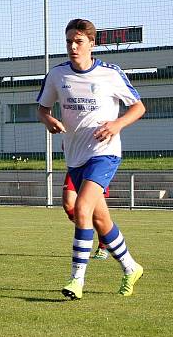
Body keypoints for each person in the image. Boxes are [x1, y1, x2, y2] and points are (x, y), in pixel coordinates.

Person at [37, 18, 145, 300]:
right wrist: (48, 119)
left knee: (81, 208)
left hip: (104, 153)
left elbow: (138, 107)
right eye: (69, 41)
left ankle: (76, 280)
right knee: (101, 221)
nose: (73, 46)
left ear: (91, 44)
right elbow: (42, 108)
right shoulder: (57, 75)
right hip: (75, 156)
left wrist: (117, 124)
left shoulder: (110, 73)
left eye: (79, 41)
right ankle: (131, 267)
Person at [62, 173, 109, 260]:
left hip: (95, 165)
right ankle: (87, 227)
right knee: (68, 203)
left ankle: (103, 246)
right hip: (75, 164)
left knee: (96, 210)